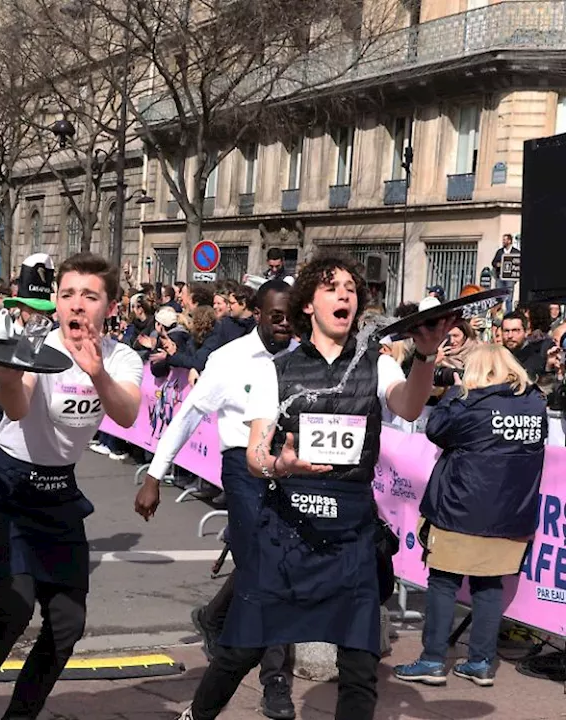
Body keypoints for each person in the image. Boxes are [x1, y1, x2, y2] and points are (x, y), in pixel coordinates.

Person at [181, 254, 451, 720]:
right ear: (308, 304)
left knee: (360, 663)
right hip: (287, 529)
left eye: (350, 287)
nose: (344, 293)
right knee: (241, 649)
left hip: (351, 533)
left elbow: (408, 407)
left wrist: (425, 356)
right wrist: (279, 465)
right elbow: (255, 455)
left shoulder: (378, 365)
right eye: (331, 287)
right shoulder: (277, 370)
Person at [0, 253, 143, 720]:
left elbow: (127, 414)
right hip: (7, 487)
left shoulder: (123, 358)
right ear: (55, 302)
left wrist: (96, 372)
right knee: (12, 611)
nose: (77, 306)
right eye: (68, 294)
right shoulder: (36, 348)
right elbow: (15, 408)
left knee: (67, 625)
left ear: (111, 307)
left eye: (90, 296)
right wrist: (10, 378)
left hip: (60, 494)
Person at [136, 280, 298, 720]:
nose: (285, 324)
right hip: (243, 472)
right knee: (269, 574)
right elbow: (188, 416)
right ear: (258, 315)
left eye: (292, 316)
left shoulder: (305, 357)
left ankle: (214, 616)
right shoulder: (228, 359)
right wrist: (154, 474)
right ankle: (275, 680)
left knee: (266, 570)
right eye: (276, 316)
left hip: (291, 470)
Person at [394, 344, 546, 688]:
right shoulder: (535, 405)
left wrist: (454, 391)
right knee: (489, 585)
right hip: (512, 514)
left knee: (443, 583)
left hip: (460, 510)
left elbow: (436, 429)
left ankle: (433, 660)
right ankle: (480, 662)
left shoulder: (469, 404)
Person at [0, 253, 59, 581]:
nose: (39, 316)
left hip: (36, 425)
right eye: (33, 308)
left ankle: (19, 555)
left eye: (45, 309)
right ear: (19, 306)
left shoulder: (54, 337)